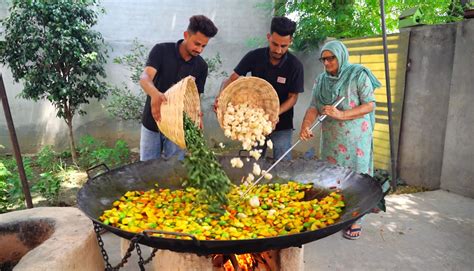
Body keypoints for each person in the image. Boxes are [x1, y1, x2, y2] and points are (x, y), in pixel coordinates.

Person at [299, 40, 381, 240]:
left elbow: (369, 105)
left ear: (341, 56)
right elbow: (313, 107)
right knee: (332, 177)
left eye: (331, 58)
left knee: (356, 179)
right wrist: (306, 125)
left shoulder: (358, 75)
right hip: (332, 141)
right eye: (324, 59)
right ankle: (335, 213)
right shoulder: (322, 80)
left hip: (356, 140)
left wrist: (341, 115)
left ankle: (355, 219)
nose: (327, 63)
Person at [215, 16, 304, 160]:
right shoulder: (254, 57)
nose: (279, 50)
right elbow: (233, 79)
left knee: (282, 163)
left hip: (282, 123)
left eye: (284, 46)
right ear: (268, 37)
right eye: (275, 44)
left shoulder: (295, 66)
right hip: (254, 122)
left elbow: (293, 98)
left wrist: (275, 114)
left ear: (290, 42)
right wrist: (221, 98)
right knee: (252, 162)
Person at [138, 15, 218, 161]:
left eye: (204, 46)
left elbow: (195, 99)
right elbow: (145, 78)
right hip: (152, 122)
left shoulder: (201, 66)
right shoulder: (161, 51)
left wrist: (197, 117)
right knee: (147, 170)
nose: (199, 49)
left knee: (174, 170)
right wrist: (155, 94)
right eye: (197, 43)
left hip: (178, 129)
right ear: (186, 35)